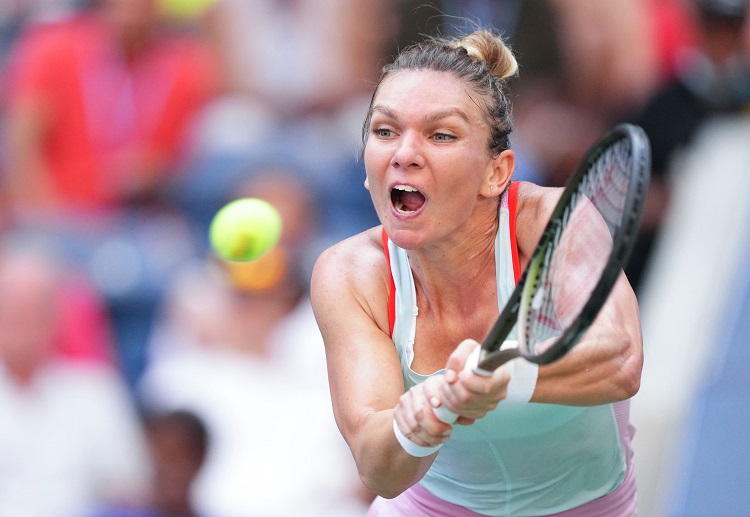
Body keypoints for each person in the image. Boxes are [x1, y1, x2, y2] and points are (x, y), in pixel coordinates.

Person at [310, 28, 644, 516]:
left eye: (441, 134)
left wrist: (504, 374)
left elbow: (620, 360)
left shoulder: (550, 223)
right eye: (385, 131)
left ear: (497, 172)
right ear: (367, 167)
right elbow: (378, 468)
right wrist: (422, 418)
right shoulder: (349, 273)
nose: (403, 153)